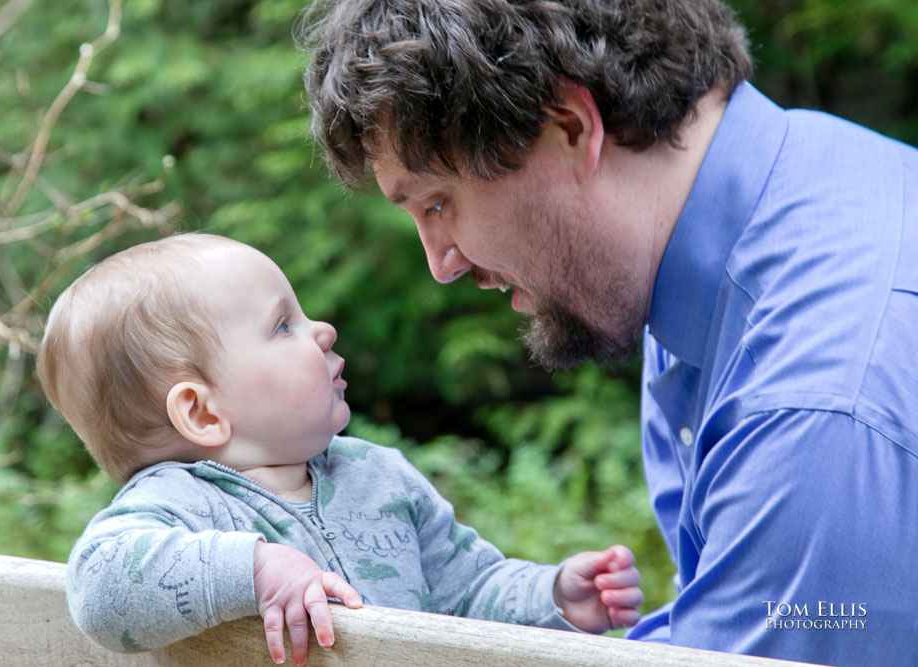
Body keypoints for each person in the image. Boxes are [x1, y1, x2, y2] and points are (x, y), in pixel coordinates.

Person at [301, 1, 918, 665]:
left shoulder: (815, 415)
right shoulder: (767, 213)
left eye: (437, 202)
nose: (441, 263)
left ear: (569, 126)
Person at [37, 233, 643, 665]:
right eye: (283, 325)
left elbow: (467, 592)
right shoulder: (179, 507)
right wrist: (255, 569)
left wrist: (551, 596)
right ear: (201, 412)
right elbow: (100, 590)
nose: (322, 330)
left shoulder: (379, 478)